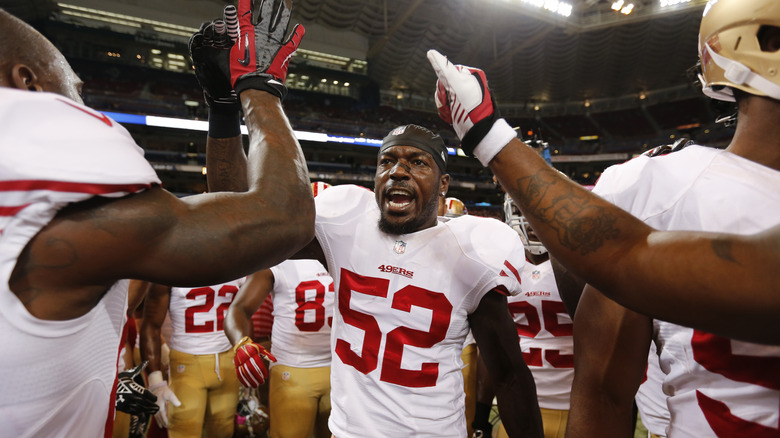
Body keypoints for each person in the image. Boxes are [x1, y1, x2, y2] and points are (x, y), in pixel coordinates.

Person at [427, 1, 780, 435]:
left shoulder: (658, 189)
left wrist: (485, 130)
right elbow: (603, 390)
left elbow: (621, 254)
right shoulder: (664, 186)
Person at [0, 1, 312, 435]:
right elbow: (284, 217)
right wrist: (258, 87)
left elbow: (233, 206)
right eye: (74, 91)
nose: (84, 107)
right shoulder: (70, 211)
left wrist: (222, 110)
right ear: (28, 86)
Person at [211, 117, 544, 435]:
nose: (398, 171)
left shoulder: (471, 251)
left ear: (443, 183)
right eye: (387, 161)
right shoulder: (344, 225)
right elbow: (239, 217)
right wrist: (224, 110)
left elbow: (509, 375)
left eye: (417, 162)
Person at [225, 182, 335, 438]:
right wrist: (242, 343)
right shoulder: (279, 258)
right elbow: (238, 309)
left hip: (340, 370)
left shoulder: (347, 254)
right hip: (292, 369)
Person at [473, 197, 574, 438]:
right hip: (517, 407)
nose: (532, 220)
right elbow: (490, 351)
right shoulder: (499, 267)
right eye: (523, 209)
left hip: (576, 409)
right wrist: (481, 415)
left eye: (544, 208)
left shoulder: (581, 269)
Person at [139, 278, 245, 437]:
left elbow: (245, 314)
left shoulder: (237, 263)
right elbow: (150, 326)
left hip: (228, 361)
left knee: (224, 432)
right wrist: (155, 382)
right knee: (184, 431)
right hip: (187, 365)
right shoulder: (172, 268)